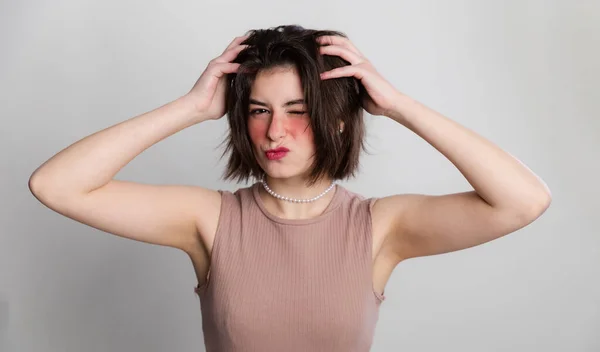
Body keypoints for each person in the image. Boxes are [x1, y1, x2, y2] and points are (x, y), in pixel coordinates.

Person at [28, 25, 552, 351]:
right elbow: (56, 185)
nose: (275, 131)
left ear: (339, 121)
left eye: (298, 112)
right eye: (259, 110)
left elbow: (523, 201)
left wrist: (397, 105)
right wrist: (189, 108)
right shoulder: (208, 220)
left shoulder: (380, 228)